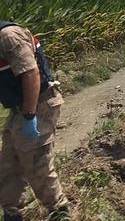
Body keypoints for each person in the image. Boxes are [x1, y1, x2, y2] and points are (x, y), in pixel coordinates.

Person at [0, 22, 69, 221]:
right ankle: (12, 213)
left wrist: (30, 117)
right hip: (19, 107)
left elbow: (31, 73)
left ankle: (59, 210)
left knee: (36, 162)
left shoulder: (8, 36)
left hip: (38, 103)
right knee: (7, 163)